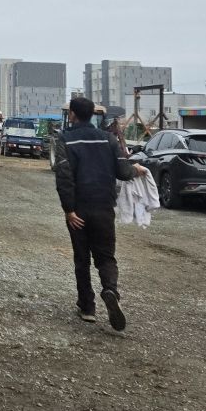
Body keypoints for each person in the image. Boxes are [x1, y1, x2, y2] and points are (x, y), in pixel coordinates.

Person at [52, 96, 149, 331]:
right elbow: (123, 172)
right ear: (93, 115)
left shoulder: (65, 139)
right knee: (106, 257)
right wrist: (137, 169)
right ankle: (110, 289)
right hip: (104, 207)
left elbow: (64, 177)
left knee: (82, 259)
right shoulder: (108, 139)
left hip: (80, 209)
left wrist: (69, 210)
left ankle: (87, 308)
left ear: (72, 114)